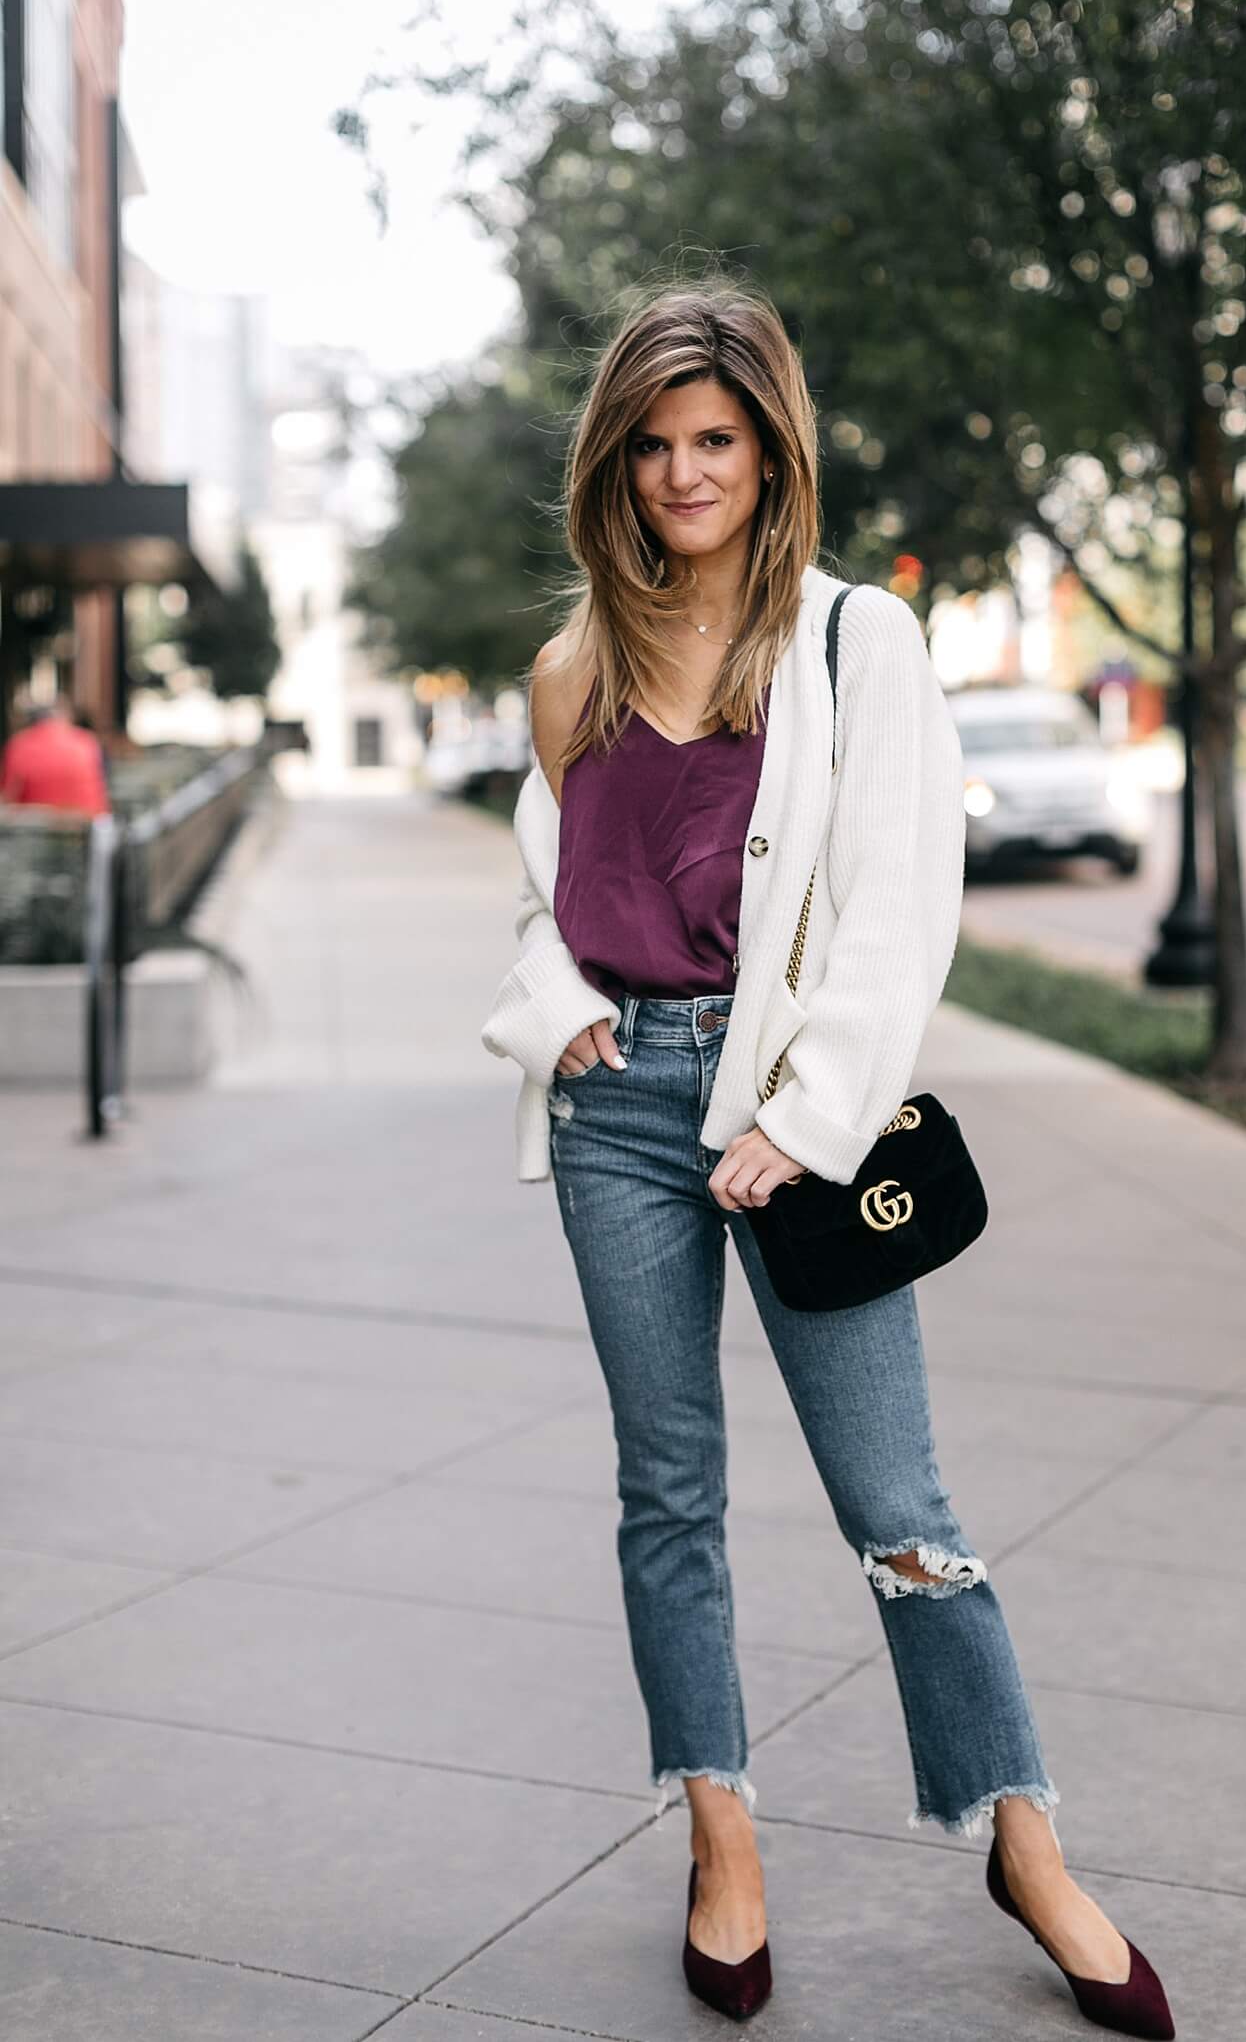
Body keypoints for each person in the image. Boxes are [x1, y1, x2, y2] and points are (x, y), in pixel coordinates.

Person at [480, 282, 1174, 2038]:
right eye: (650, 447)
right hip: (617, 1109)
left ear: (770, 444)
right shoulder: (577, 664)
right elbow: (542, 894)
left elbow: (893, 917)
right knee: (669, 1494)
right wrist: (555, 1002)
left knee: (904, 1512)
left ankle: (1022, 1836)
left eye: (713, 440)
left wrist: (805, 1119)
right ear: (613, 466)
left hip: (798, 1118)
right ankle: (722, 1838)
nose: (681, 475)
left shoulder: (858, 643)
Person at [1, 692, 111, 817]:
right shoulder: (87, 741)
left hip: (40, 828)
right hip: (89, 822)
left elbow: (8, 795)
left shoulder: (19, 744)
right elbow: (102, 784)